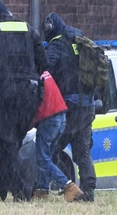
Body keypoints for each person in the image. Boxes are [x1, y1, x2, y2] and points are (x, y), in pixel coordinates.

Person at [0, 0, 48, 202]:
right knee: (9, 146)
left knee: (5, 146)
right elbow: (44, 63)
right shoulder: (28, 29)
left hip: (4, 95)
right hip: (28, 97)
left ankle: (22, 191)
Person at [42, 12, 97, 202]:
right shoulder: (80, 38)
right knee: (82, 151)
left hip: (69, 107)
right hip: (87, 106)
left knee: (51, 149)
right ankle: (88, 191)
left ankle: (61, 185)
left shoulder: (56, 44)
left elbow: (45, 71)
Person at [31, 71, 83, 202]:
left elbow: (30, 105)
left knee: (42, 158)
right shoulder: (44, 73)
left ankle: (68, 186)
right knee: (47, 157)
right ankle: (42, 190)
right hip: (61, 116)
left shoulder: (32, 77)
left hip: (49, 119)